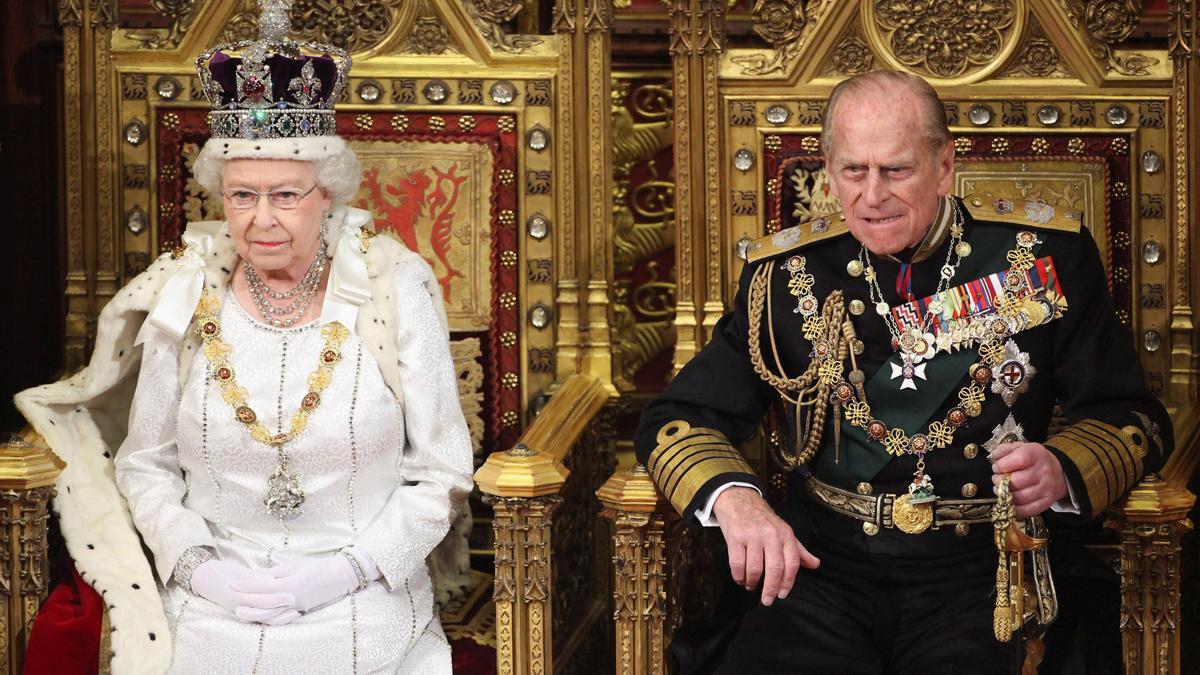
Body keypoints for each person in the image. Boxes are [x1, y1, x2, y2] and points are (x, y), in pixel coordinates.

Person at [634, 70, 1171, 674]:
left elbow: (1132, 419)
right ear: (830, 173)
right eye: (853, 171)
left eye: (895, 170)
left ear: (943, 166)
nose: (871, 196)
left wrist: (1062, 469)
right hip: (823, 569)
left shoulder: (1044, 257)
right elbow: (679, 418)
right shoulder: (784, 277)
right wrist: (737, 500)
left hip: (985, 572)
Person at [15, 2, 473, 672]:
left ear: (328, 194)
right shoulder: (184, 291)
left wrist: (346, 570)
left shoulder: (394, 288)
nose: (261, 220)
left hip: (363, 596)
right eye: (240, 196)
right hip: (208, 602)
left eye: (286, 195)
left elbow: (442, 472)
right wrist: (199, 569)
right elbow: (145, 465)